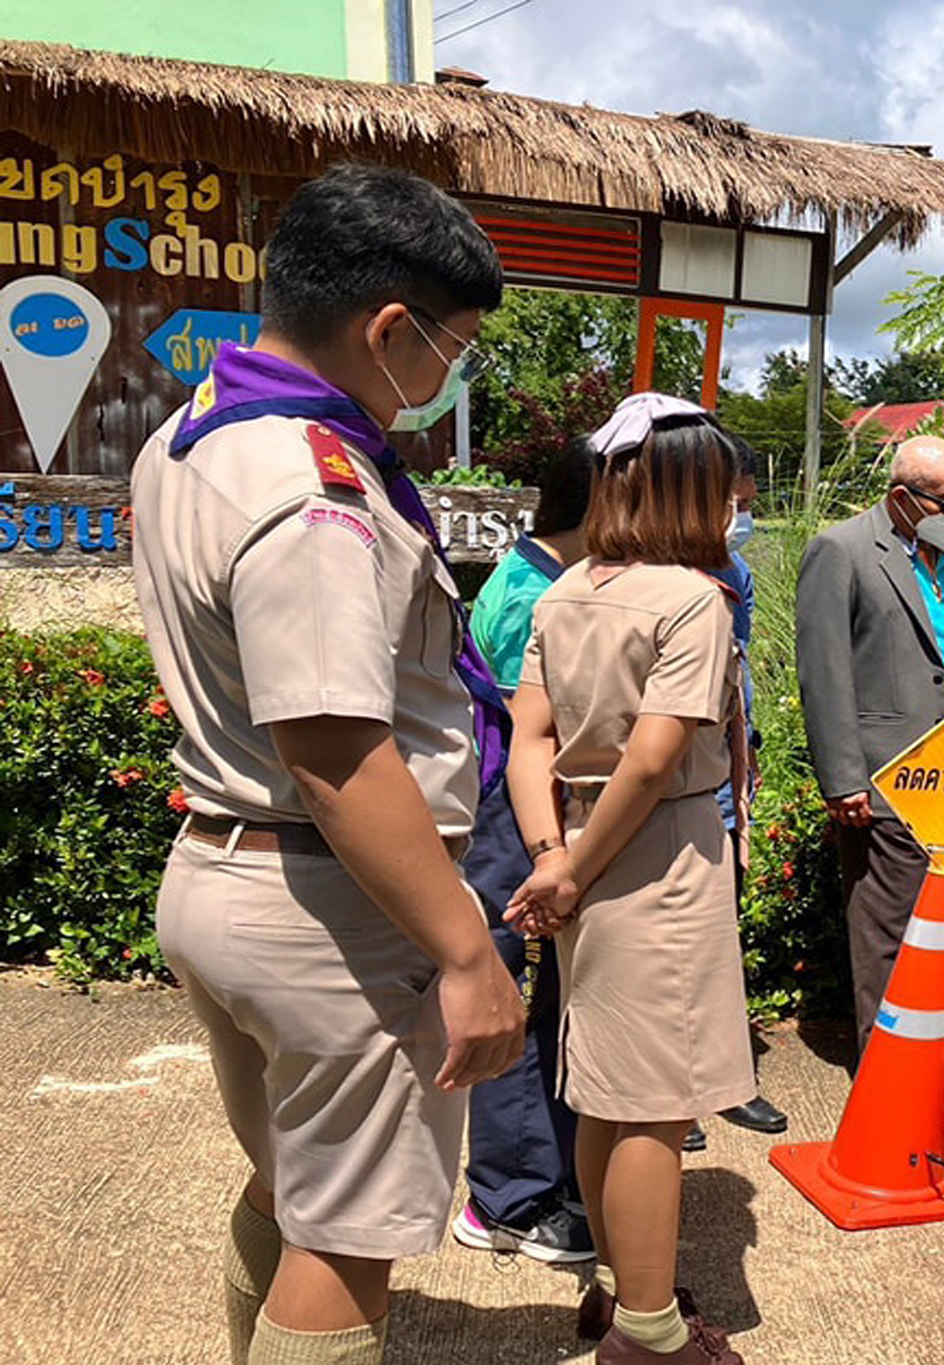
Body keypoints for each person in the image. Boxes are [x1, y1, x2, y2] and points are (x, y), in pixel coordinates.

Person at [130, 164, 526, 1365]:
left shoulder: (188, 437)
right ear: (388, 329)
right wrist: (465, 949)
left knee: (293, 1186)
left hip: (229, 870)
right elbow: (337, 750)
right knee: (347, 1235)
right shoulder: (314, 485)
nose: (449, 373)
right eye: (451, 346)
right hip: (337, 910)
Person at [504, 396, 751, 1365]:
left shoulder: (565, 592)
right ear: (692, 492)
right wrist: (576, 870)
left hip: (577, 845)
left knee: (605, 1086)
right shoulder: (692, 601)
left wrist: (551, 859)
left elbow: (529, 741)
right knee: (655, 1100)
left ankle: (618, 1289)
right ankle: (650, 1333)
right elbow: (653, 762)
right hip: (657, 857)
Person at [795, 435, 944, 1093]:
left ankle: (924, 1050)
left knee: (939, 919)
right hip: (887, 775)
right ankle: (887, 1066)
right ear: (901, 498)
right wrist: (843, 777)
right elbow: (823, 671)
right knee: (886, 924)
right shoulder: (844, 551)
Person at [451, 438, 600, 1263]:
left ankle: (540, 1175)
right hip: (513, 818)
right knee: (515, 999)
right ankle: (505, 1198)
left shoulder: (554, 580)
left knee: (544, 1003)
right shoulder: (528, 596)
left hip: (531, 816)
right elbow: (530, 737)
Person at [704, 435, 789, 1138]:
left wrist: (748, 749)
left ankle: (723, 1076)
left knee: (720, 926)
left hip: (726, 779)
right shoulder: (645, 573)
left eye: (748, 506)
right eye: (733, 504)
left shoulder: (736, 571)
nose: (740, 518)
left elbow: (741, 666)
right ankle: (670, 1093)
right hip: (669, 784)